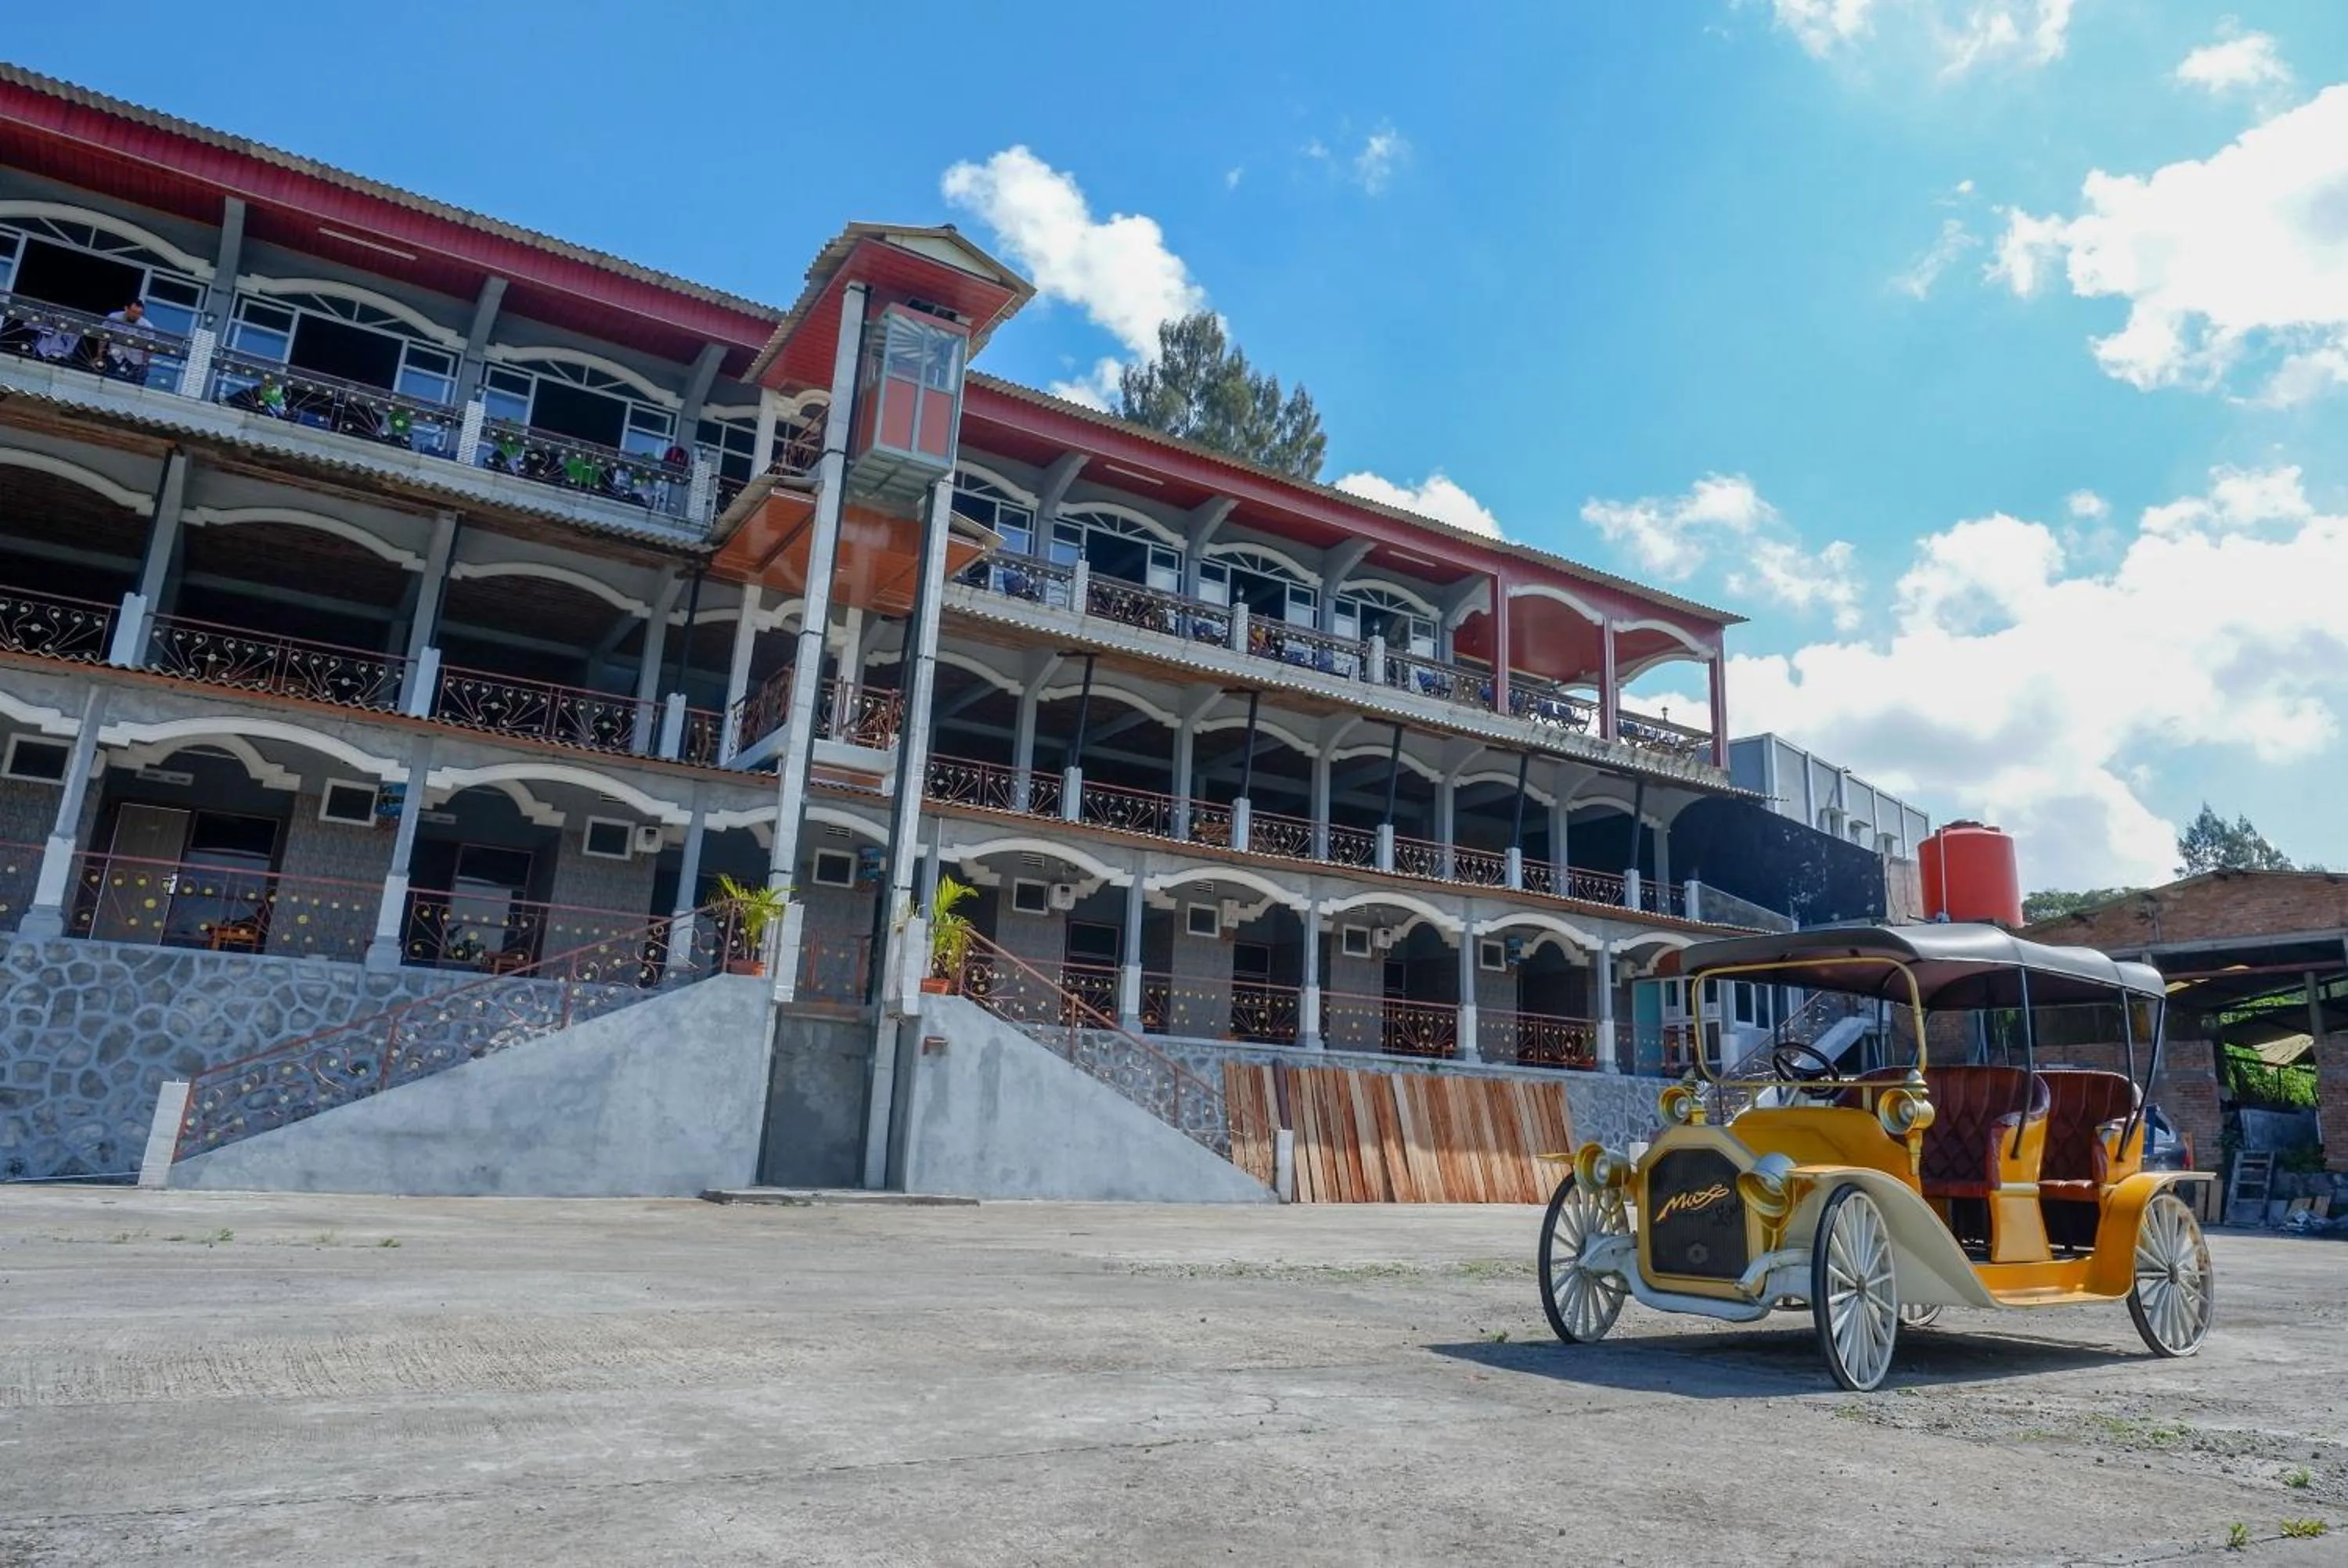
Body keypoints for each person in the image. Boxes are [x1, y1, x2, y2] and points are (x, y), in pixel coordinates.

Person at [102, 298, 154, 382]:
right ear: (126, 309)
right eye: (133, 312)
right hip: (114, 356)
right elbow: (103, 336)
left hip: (135, 361)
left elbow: (149, 347)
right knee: (106, 380)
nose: (136, 316)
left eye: (139, 313)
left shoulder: (147, 326)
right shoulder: (114, 317)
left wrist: (145, 364)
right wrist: (100, 354)